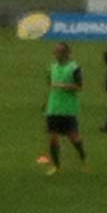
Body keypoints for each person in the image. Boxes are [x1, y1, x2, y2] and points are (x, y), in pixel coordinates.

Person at [43, 42, 87, 176]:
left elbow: (80, 86)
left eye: (59, 52)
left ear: (66, 53)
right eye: (55, 51)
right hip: (53, 108)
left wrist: (66, 86)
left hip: (68, 108)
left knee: (73, 137)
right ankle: (56, 166)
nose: (56, 54)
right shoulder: (52, 67)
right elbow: (50, 83)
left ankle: (83, 158)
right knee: (53, 138)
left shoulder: (74, 68)